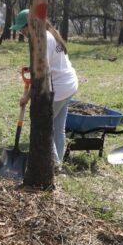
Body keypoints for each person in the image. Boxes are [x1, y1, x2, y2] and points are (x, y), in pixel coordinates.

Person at [10, 9, 78, 167]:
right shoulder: (50, 33)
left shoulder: (43, 39)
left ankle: (53, 166)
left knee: (45, 126)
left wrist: (27, 97)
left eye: (23, 28)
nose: (22, 32)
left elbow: (41, 74)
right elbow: (47, 63)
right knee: (58, 128)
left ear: (33, 25)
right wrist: (31, 67)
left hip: (59, 88)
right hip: (69, 84)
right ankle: (58, 165)